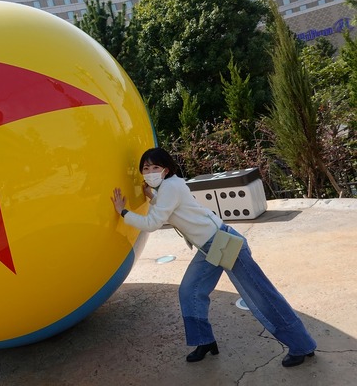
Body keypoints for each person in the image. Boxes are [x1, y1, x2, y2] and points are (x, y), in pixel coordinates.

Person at [110, 147, 316, 367]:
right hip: (209, 247)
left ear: (166, 169)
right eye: (145, 168)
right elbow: (171, 207)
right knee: (190, 291)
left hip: (223, 243)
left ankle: (301, 345)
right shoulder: (170, 185)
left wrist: (123, 212)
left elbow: (152, 223)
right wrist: (152, 197)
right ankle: (204, 341)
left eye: (155, 167)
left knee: (261, 294)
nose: (149, 171)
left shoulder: (169, 187)